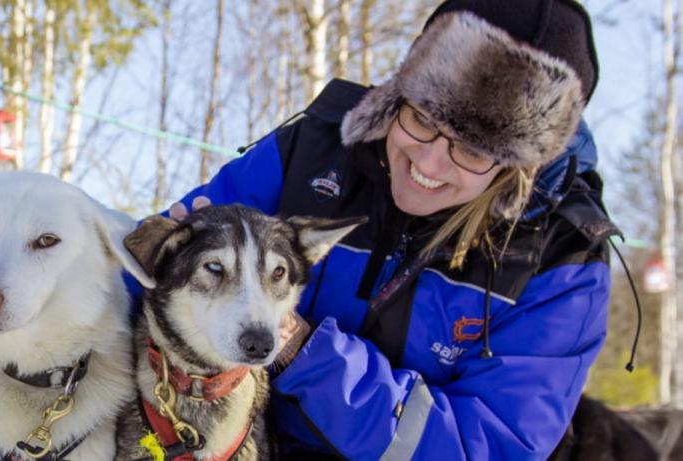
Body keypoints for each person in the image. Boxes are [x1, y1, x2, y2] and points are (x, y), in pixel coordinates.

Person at [169, 0, 613, 458]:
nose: (428, 162)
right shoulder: (314, 152)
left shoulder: (562, 261)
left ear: (517, 169)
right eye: (422, 118)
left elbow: (484, 445)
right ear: (397, 96)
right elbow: (148, 273)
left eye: (473, 151)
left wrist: (307, 355)